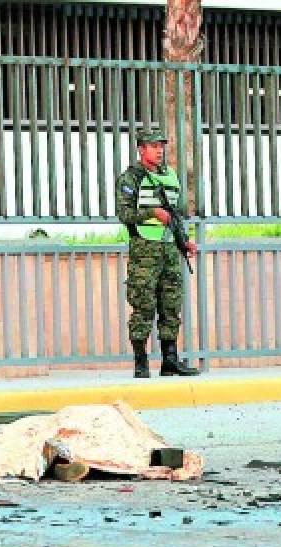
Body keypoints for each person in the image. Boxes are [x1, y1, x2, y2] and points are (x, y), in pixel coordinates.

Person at [114, 126, 199, 379]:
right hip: (145, 248)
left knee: (171, 304)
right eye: (153, 146)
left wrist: (184, 241)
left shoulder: (170, 176)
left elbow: (176, 214)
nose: (159, 150)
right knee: (143, 304)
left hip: (170, 248)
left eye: (161, 145)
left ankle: (170, 361)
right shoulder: (131, 178)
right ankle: (141, 364)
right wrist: (152, 213)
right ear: (141, 149)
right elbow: (124, 214)